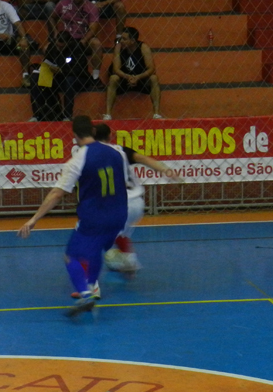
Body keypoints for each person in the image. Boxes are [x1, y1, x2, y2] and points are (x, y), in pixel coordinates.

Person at [17, 115, 129, 317]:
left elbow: (56, 194)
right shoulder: (117, 153)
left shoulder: (78, 159)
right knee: (95, 251)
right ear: (93, 131)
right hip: (119, 215)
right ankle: (92, 288)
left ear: (75, 135)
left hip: (95, 217)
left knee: (71, 256)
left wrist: (34, 219)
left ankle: (85, 295)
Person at [94, 122, 181, 283]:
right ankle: (122, 259)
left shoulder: (91, 155)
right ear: (110, 136)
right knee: (120, 233)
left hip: (119, 204)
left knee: (100, 231)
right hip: (137, 202)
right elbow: (143, 158)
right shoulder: (121, 150)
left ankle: (129, 261)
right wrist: (166, 170)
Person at [103, 26, 162, 120]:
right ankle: (108, 114)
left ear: (133, 40)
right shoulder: (118, 47)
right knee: (113, 78)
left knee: (154, 78)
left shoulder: (143, 47)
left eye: (124, 39)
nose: (121, 41)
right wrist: (128, 77)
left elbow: (151, 69)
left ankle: (156, 114)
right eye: (121, 38)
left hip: (140, 78)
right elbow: (116, 69)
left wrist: (138, 77)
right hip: (124, 79)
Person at [31, 31, 89, 121]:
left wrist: (61, 70)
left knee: (69, 81)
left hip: (76, 77)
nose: (58, 48)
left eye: (61, 47)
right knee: (36, 78)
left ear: (68, 43)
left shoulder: (77, 48)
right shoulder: (52, 46)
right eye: (57, 45)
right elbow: (47, 61)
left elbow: (79, 69)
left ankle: (67, 115)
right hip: (58, 76)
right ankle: (37, 114)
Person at [49, 0, 103, 89]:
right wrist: (55, 33)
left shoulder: (91, 7)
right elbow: (52, 17)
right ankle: (51, 77)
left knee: (96, 44)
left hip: (83, 38)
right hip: (66, 38)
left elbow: (93, 29)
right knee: (46, 48)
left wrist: (84, 41)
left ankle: (95, 77)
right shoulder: (63, 3)